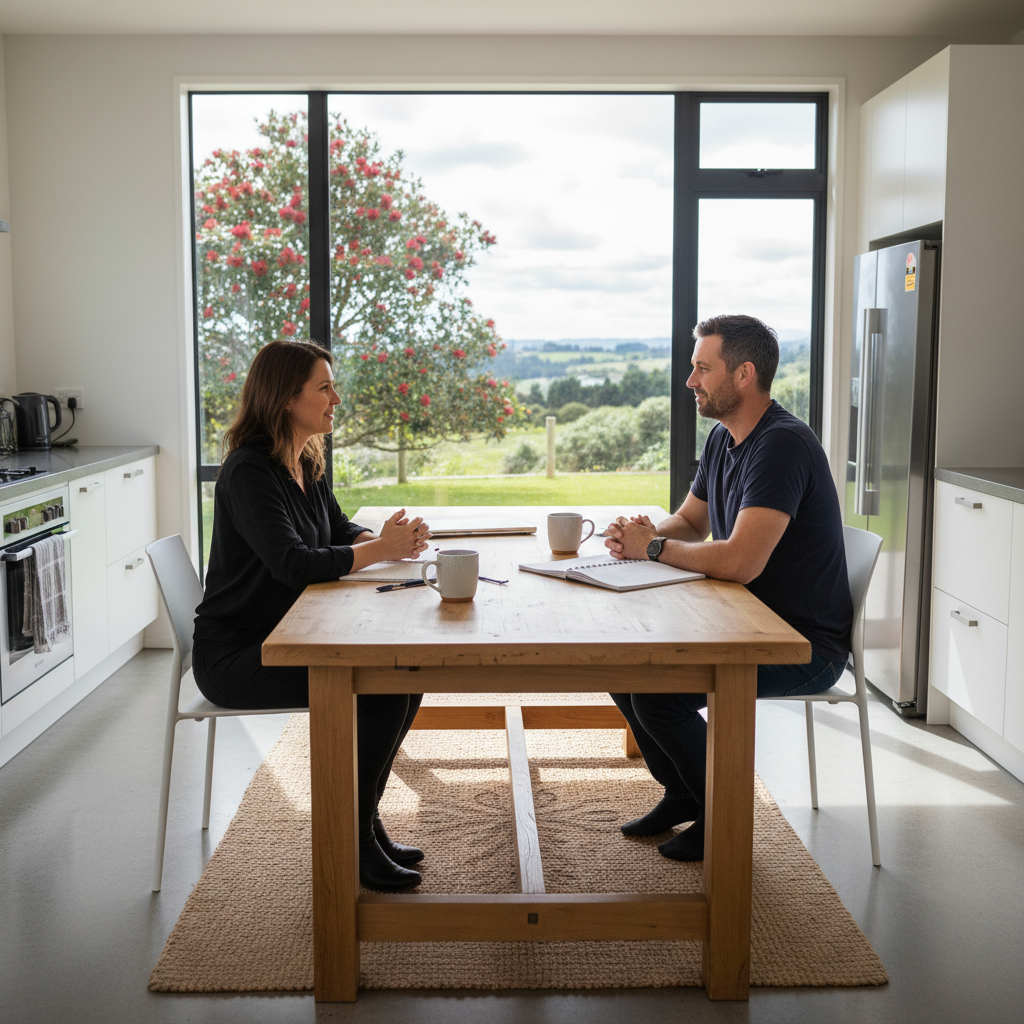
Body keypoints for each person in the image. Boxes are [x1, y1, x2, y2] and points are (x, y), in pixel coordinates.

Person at [604, 314, 852, 862]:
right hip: (741, 620)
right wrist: (639, 535)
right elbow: (691, 523)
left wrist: (653, 549)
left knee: (657, 694)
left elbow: (740, 560)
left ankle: (722, 816)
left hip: (799, 643)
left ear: (743, 374)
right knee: (623, 667)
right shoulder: (723, 438)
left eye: (701, 368)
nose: (690, 380)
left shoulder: (782, 445)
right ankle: (683, 793)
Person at [192, 340, 431, 892]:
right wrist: (381, 551)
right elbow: (294, 564)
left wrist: (379, 541)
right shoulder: (249, 472)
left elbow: (337, 528)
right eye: (324, 388)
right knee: (384, 688)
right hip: (240, 655)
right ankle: (353, 839)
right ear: (285, 399)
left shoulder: (304, 459)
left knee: (407, 675)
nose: (335, 399)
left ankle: (363, 824)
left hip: (292, 633)